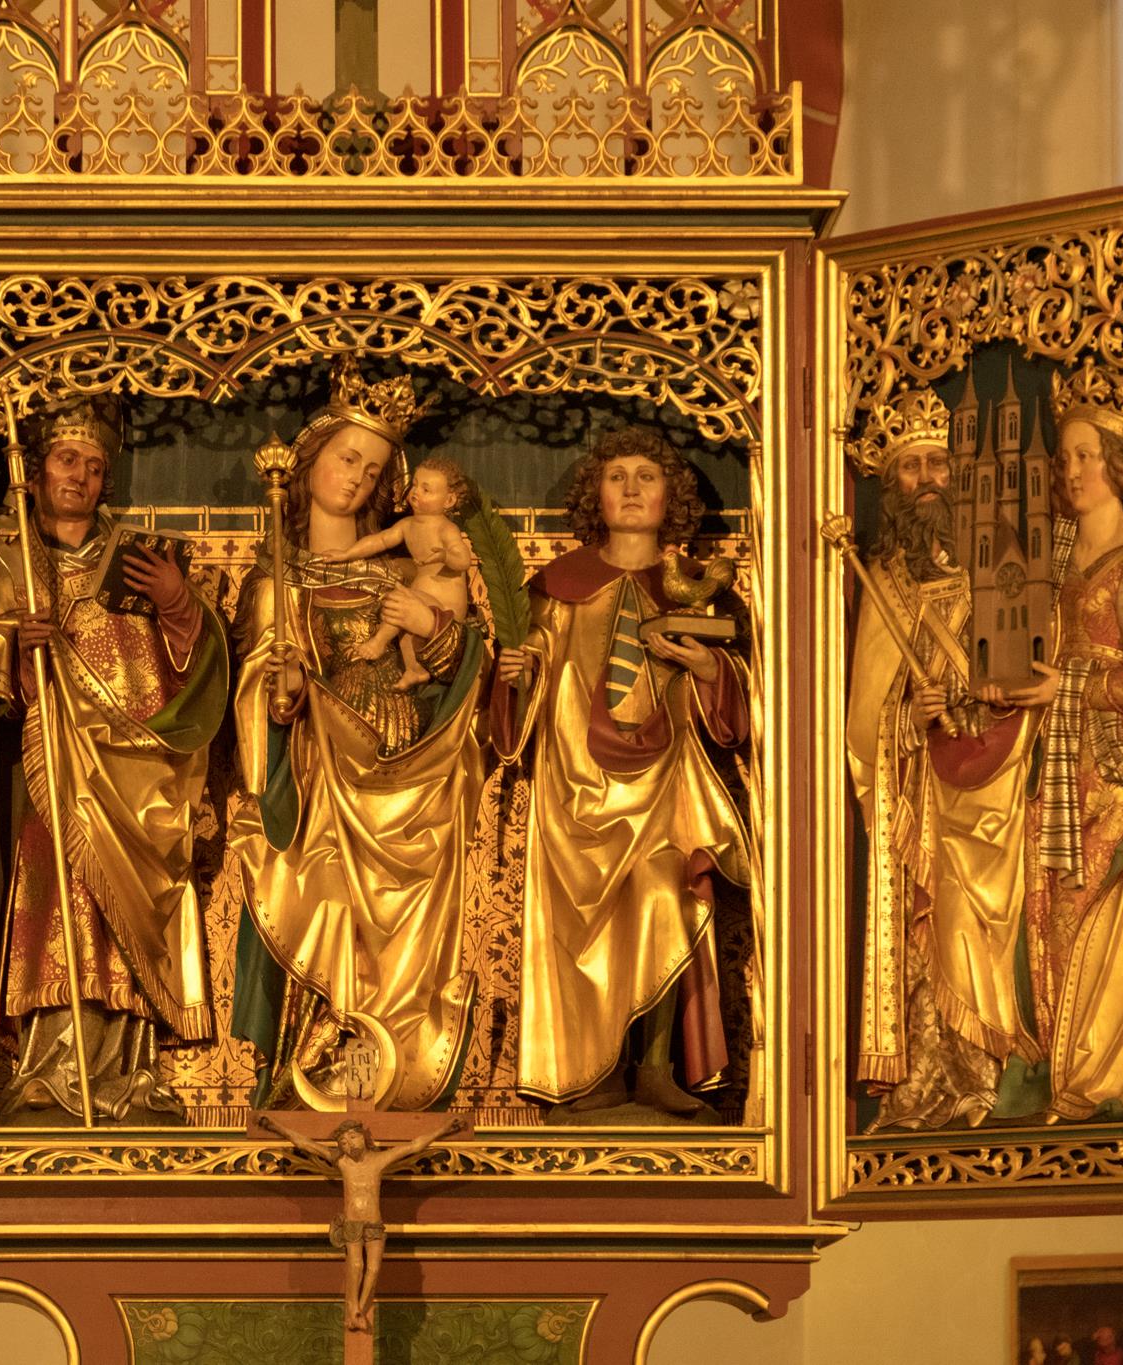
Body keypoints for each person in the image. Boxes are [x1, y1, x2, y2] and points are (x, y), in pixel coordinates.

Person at [0, 396, 228, 1121]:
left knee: (130, 913)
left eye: (93, 465)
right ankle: (49, 1069)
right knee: (59, 899)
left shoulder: (138, 558)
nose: (79, 476)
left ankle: (130, 1074)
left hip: (137, 774)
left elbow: (198, 665)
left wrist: (177, 604)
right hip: (55, 764)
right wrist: (16, 641)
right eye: (65, 459)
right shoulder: (15, 557)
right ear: (38, 470)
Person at [230, 360, 486, 1112]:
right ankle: (316, 1064)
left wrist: (433, 626)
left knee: (401, 915)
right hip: (320, 777)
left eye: (373, 471)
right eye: (347, 458)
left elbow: (461, 662)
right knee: (327, 901)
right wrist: (280, 694)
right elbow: (257, 688)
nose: (356, 479)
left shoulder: (403, 569)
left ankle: (395, 1063)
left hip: (404, 765)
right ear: (310, 461)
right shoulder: (276, 579)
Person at [492, 426, 752, 1118]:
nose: (632, 489)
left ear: (672, 495)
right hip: (576, 787)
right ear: (595, 494)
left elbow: (744, 698)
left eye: (647, 476)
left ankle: (657, 1067)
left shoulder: (695, 587)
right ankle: (591, 1073)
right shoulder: (557, 587)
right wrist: (516, 674)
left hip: (665, 781)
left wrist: (708, 667)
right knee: (581, 933)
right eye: (617, 477)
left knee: (667, 898)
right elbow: (527, 670)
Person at [844, 384, 1036, 1130]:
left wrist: (994, 697)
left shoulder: (1002, 568)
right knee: (936, 923)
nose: (926, 479)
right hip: (922, 790)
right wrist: (906, 715)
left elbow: (1032, 670)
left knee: (988, 926)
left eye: (937, 464)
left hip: (995, 784)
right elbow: (862, 722)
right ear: (892, 485)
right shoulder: (884, 584)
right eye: (910, 467)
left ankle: (989, 1073)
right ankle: (935, 1080)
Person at [981, 361, 1123, 1121]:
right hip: (1049, 757)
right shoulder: (1053, 555)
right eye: (1064, 458)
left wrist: (1071, 687)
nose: (1072, 470)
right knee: (1040, 906)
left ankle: (1097, 1074)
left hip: (1111, 768)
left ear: (1119, 463)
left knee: (1086, 907)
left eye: (1087, 455)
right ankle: (1056, 1068)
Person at [256, 1113, 468, 1333]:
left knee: (374, 1269)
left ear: (364, 1137)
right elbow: (306, 1144)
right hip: (352, 1224)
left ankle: (359, 1311)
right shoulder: (342, 1162)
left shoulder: (379, 1160)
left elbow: (414, 1146)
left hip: (374, 1224)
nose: (349, 1144)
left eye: (352, 1137)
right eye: (343, 1142)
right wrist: (276, 1127)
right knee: (356, 1265)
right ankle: (353, 1309)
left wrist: (444, 1130)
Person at [324, 456, 477, 690]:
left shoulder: (446, 529)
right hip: (422, 597)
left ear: (448, 500)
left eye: (426, 490)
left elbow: (463, 561)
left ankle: (378, 642)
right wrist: (346, 554)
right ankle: (414, 670)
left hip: (445, 607)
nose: (416, 492)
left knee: (400, 603)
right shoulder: (408, 525)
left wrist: (444, 556)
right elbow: (380, 541)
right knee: (404, 629)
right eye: (415, 484)